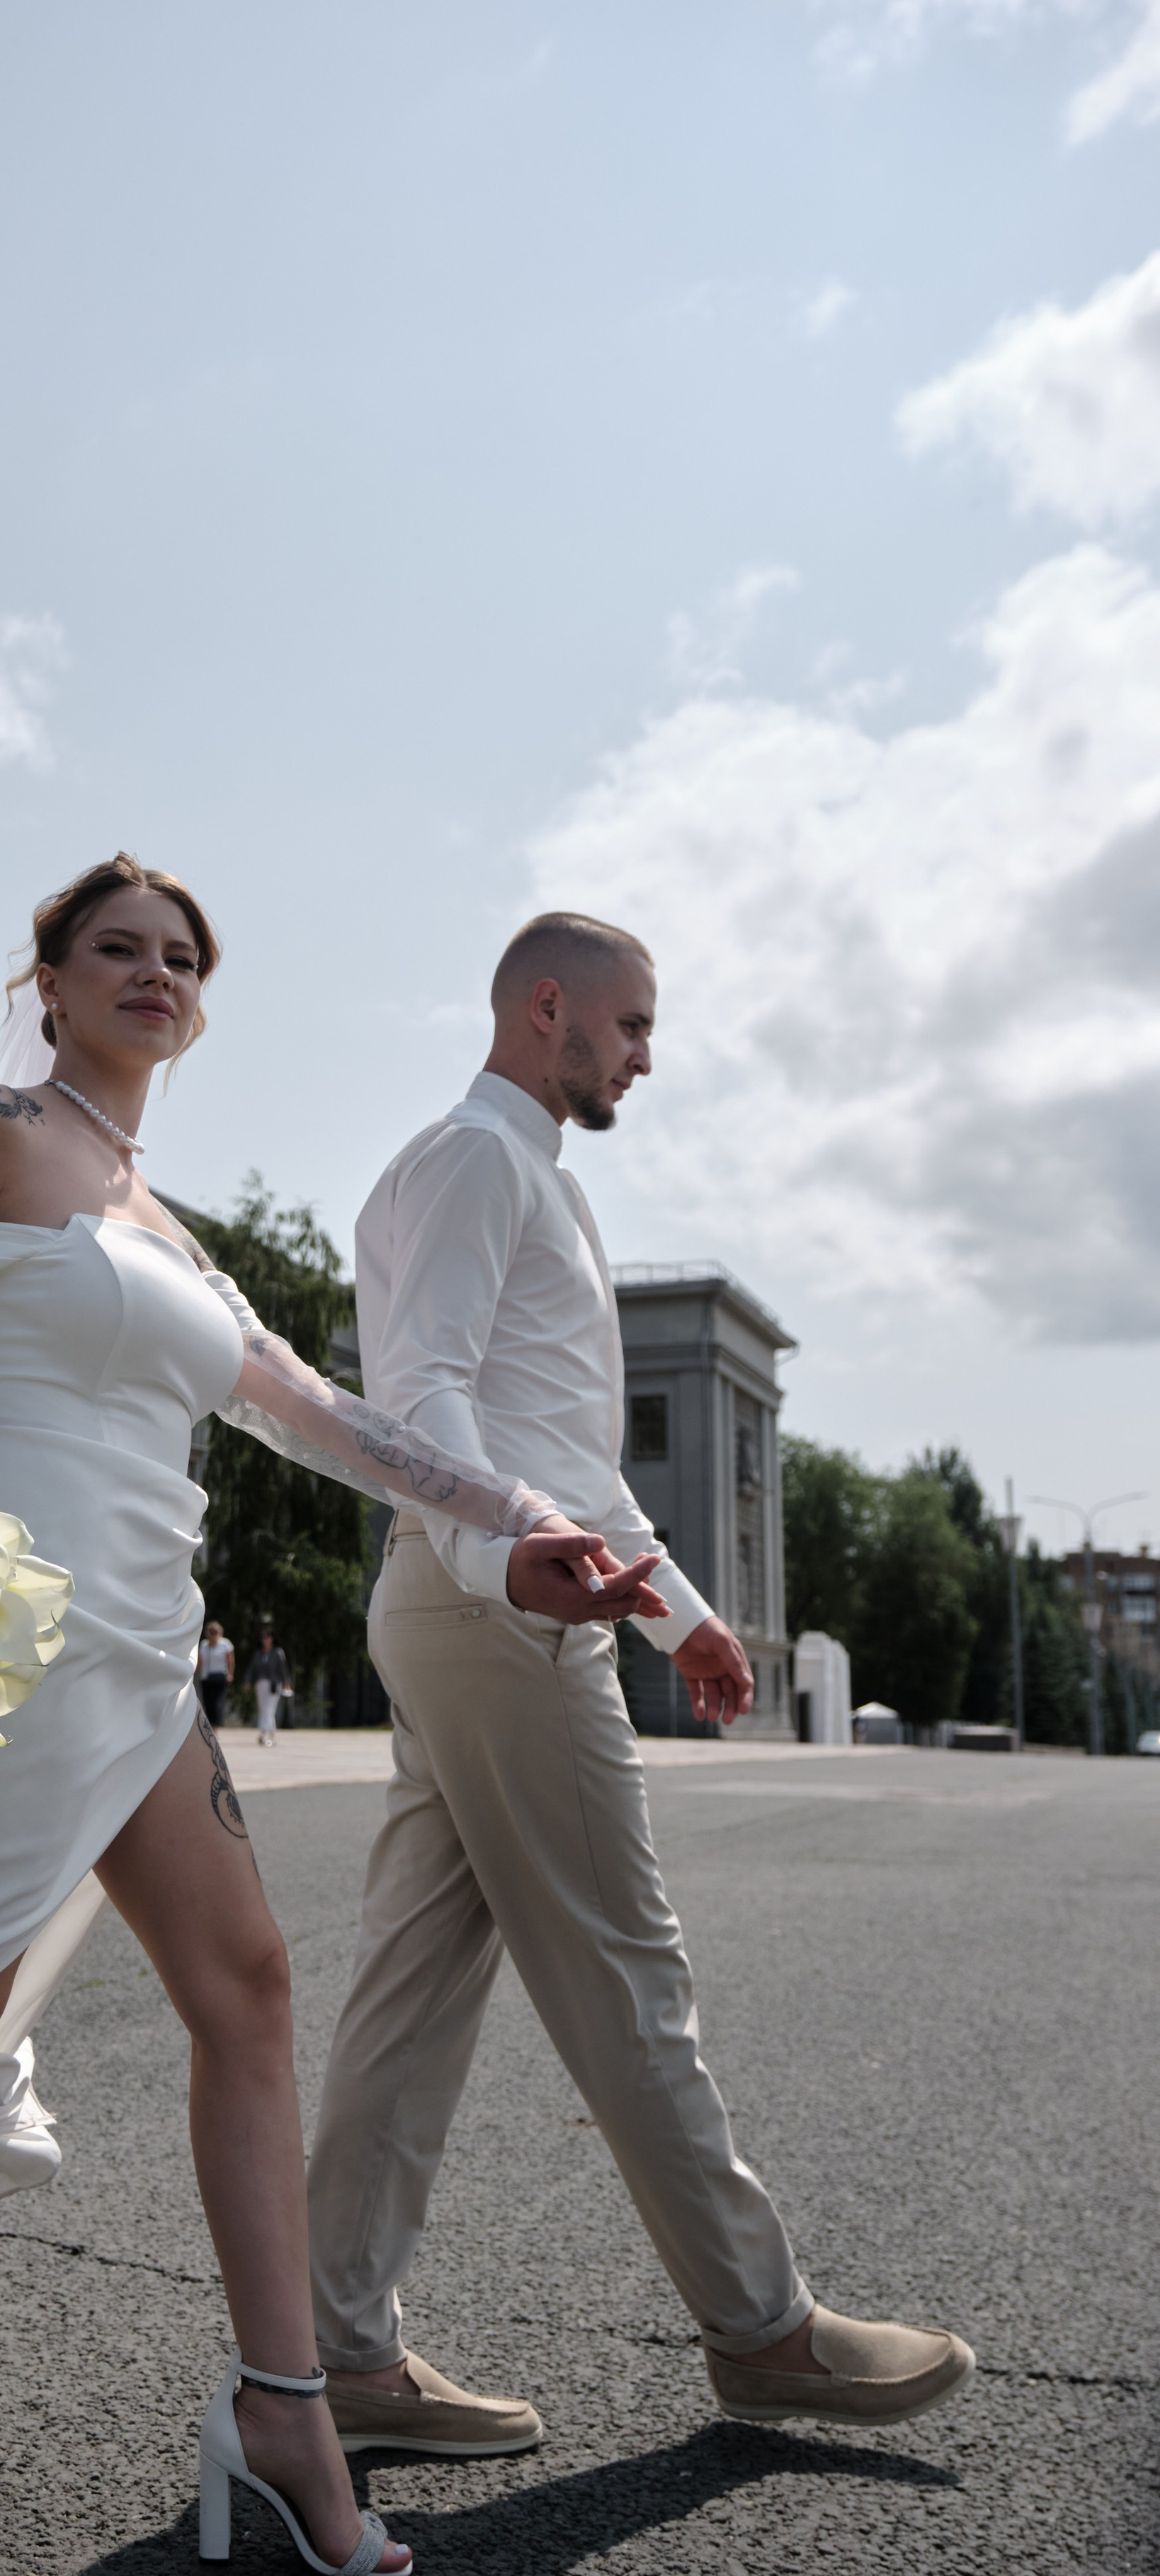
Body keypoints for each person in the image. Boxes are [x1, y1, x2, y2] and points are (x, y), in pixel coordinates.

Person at [0, 857, 624, 2576]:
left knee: (246, 1986)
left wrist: (514, 1528)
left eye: (181, 956)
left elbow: (329, 1420)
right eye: (118, 947)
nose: (154, 972)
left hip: (147, 1646)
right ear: (49, 976)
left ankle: (280, 2411)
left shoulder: (167, 1229)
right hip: (12, 1623)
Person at [305, 910, 976, 2459]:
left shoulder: (515, 1171)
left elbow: (557, 1446)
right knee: (626, 1972)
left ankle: (338, 2354)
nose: (646, 1056)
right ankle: (764, 2330)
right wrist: (506, 1564)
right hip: (498, 1614)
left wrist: (680, 1612)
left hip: (480, 1594)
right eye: (631, 1027)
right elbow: (419, 1403)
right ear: (549, 1009)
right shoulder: (476, 1164)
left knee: (409, 1998)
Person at [247, 1628, 292, 1745]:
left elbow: (283, 1669)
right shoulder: (258, 1654)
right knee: (263, 1709)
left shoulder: (278, 1652)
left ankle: (268, 1735)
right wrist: (247, 1681)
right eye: (263, 1638)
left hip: (274, 1684)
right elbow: (252, 1668)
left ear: (272, 1639)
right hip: (261, 1683)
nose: (264, 1640)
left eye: (267, 1637)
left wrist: (286, 1683)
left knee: (269, 1709)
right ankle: (266, 1734)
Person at [195, 1619, 234, 1726]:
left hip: (219, 1676)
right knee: (207, 1703)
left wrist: (230, 1673)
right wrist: (195, 1673)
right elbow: (200, 1661)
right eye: (211, 1633)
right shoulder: (204, 1645)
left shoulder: (225, 1644)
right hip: (206, 1677)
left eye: (215, 1633)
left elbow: (230, 1660)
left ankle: (215, 1726)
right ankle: (209, 1725)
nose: (213, 1635)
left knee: (216, 1703)